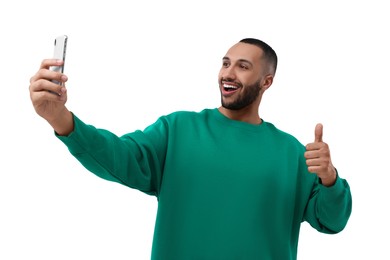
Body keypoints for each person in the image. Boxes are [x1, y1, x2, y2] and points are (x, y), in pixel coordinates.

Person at [29, 38, 352, 260]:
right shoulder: (179, 130)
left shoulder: (291, 152)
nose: (228, 73)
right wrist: (62, 120)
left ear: (266, 81)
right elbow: (120, 158)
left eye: (242, 66)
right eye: (225, 63)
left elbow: (331, 221)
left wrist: (329, 179)